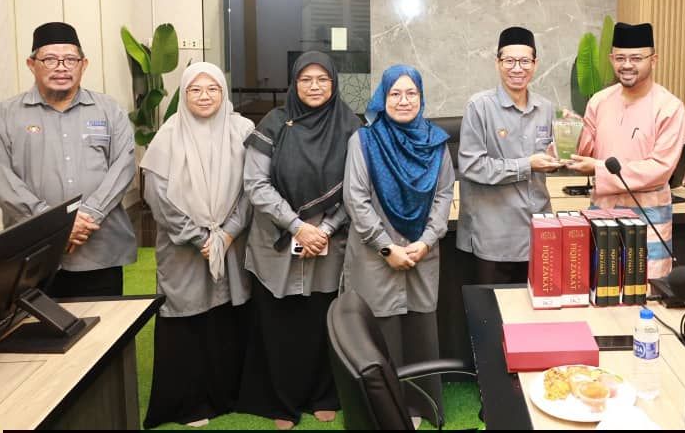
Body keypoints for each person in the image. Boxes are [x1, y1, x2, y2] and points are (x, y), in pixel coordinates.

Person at [237, 52, 361, 430]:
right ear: (294, 83)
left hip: (329, 239)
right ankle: (282, 400)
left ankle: (324, 394)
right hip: (278, 237)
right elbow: (255, 184)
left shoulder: (351, 125)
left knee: (321, 319)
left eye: (323, 79)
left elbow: (358, 186)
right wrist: (297, 227)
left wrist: (325, 229)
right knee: (281, 323)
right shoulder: (275, 123)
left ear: (334, 83)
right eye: (306, 79)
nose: (314, 86)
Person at [140, 63, 253, 428]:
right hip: (183, 248)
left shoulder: (242, 131)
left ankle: (228, 395)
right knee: (187, 316)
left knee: (225, 317)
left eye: (212, 89)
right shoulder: (167, 136)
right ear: (184, 94)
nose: (205, 96)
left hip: (231, 243)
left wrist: (228, 233)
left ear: (224, 92)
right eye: (195, 90)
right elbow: (158, 197)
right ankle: (188, 404)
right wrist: (201, 238)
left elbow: (252, 189)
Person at [343, 65, 454, 428]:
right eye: (395, 94)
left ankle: (421, 406)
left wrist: (426, 241)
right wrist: (386, 247)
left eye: (411, 94)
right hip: (376, 252)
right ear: (382, 98)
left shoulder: (436, 142)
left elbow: (444, 194)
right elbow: (356, 199)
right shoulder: (364, 140)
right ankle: (384, 412)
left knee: (420, 328)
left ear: (421, 98)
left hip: (422, 250)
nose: (404, 101)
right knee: (382, 330)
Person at [0, 22, 136, 297]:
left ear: (83, 64)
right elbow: (3, 178)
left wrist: (88, 215)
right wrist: (56, 224)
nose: (61, 67)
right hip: (33, 253)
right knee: (34, 324)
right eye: (50, 59)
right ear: (31, 64)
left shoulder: (109, 110)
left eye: (70, 59)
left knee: (108, 322)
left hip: (99, 249)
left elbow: (123, 166)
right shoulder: (7, 115)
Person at [566, 22, 685, 279]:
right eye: (620, 58)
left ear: (653, 60)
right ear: (611, 59)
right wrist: (572, 131)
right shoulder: (599, 101)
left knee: (647, 288)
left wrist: (598, 168)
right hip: (603, 213)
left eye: (636, 58)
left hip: (648, 218)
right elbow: (586, 152)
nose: (627, 65)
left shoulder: (669, 108)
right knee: (602, 284)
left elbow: (660, 169)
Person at [457, 26, 559, 284]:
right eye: (509, 61)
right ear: (498, 63)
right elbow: (472, 166)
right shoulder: (479, 106)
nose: (517, 68)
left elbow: (546, 157)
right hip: (495, 237)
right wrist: (528, 164)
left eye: (524, 61)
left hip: (537, 230)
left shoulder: (546, 108)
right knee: (492, 308)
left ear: (535, 64)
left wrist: (558, 154)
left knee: (535, 306)